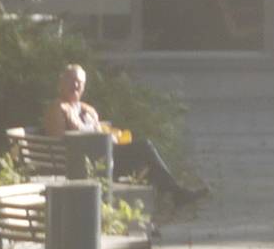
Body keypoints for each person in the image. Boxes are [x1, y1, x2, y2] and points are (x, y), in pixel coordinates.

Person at [43, 64, 205, 201]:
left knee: (144, 154)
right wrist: (87, 131)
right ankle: (174, 193)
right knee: (144, 149)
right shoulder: (58, 108)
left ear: (84, 87)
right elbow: (59, 142)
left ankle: (170, 194)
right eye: (71, 81)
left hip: (103, 156)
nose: (75, 86)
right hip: (82, 163)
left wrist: (107, 134)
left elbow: (100, 130)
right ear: (61, 83)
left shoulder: (86, 109)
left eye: (79, 82)